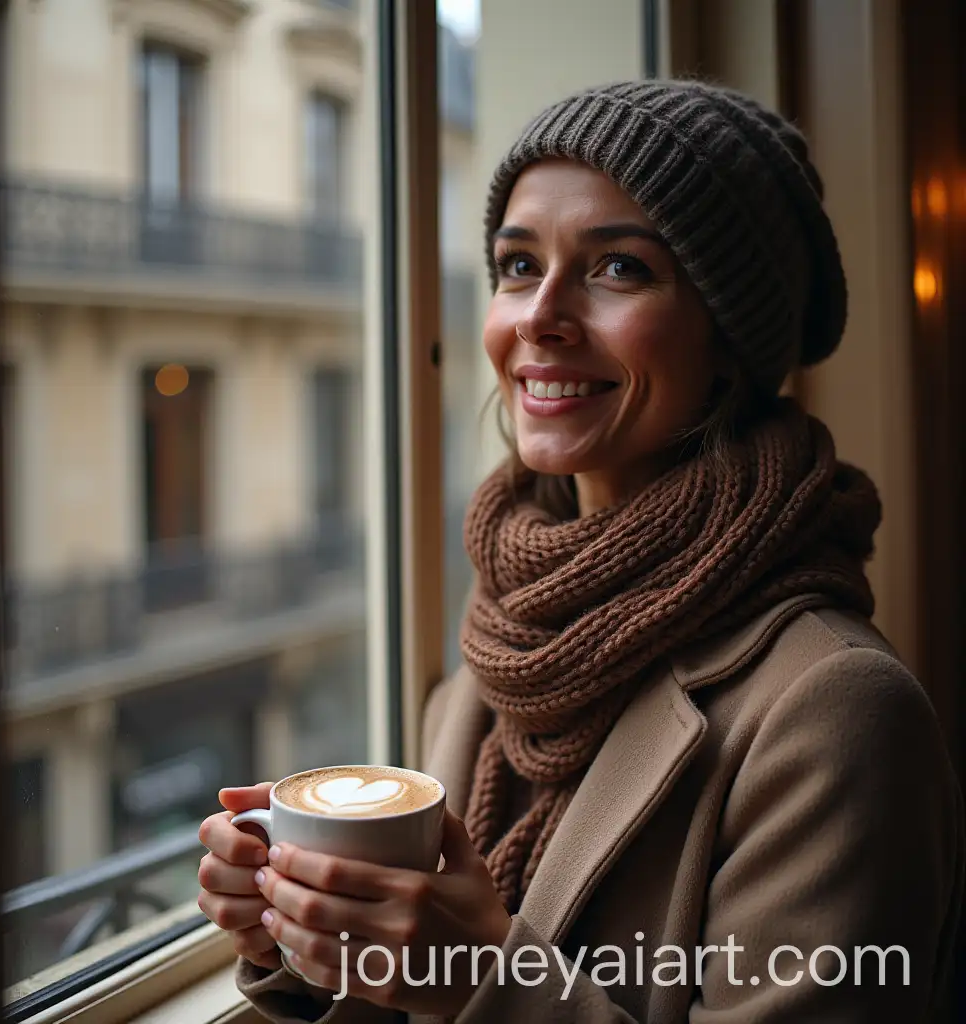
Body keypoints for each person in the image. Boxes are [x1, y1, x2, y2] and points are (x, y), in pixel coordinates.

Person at [196, 80, 964, 1023]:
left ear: (731, 341)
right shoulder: (506, 633)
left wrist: (482, 982)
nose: (539, 317)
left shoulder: (838, 709)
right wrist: (312, 937)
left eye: (619, 271)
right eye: (518, 266)